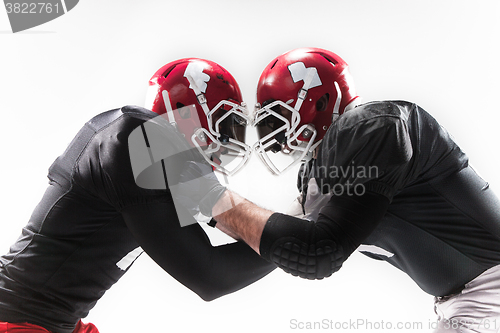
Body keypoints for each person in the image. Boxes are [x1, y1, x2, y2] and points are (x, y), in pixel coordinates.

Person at [178, 48, 500, 333]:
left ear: (319, 101)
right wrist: (197, 203)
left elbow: (317, 254)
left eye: (277, 122)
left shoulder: (373, 126)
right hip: (471, 307)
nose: (274, 141)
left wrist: (207, 195)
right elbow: (271, 248)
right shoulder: (327, 171)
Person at [0, 58, 275, 333]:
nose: (227, 140)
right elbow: (212, 276)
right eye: (224, 126)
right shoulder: (133, 148)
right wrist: (300, 238)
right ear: (184, 113)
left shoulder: (150, 162)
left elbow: (239, 234)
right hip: (18, 320)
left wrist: (293, 227)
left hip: (55, 321)